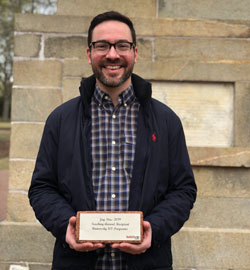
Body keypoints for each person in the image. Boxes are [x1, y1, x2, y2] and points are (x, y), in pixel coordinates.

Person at [28, 10, 197, 270]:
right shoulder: (60, 120)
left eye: (122, 45)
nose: (112, 54)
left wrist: (155, 229)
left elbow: (183, 190)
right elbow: (41, 188)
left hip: (147, 264)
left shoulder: (166, 121)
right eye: (102, 46)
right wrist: (66, 225)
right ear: (89, 54)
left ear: (135, 53)